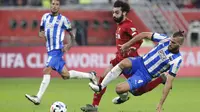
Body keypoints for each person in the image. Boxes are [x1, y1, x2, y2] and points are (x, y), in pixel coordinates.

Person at [81, 1, 166, 111]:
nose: (114, 15)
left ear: (124, 13)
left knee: (137, 91)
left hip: (130, 61)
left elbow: (139, 39)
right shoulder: (120, 25)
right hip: (119, 58)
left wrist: (132, 48)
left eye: (116, 12)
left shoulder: (128, 25)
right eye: (113, 12)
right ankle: (94, 106)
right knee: (103, 77)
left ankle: (160, 79)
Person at [89, 31, 185, 112]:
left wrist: (160, 104)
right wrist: (127, 44)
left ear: (180, 44)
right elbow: (143, 34)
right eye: (171, 40)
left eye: (173, 43)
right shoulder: (165, 39)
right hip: (140, 61)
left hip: (145, 75)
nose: (170, 43)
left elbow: (169, 83)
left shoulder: (177, 60)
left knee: (119, 89)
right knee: (123, 63)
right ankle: (100, 87)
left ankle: (124, 97)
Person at [25, 0, 97, 105]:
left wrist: (70, 44)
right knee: (65, 75)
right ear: (50, 5)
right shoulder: (44, 17)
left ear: (59, 7)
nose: (54, 6)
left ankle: (38, 97)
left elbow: (72, 33)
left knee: (47, 70)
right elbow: (40, 31)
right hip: (50, 51)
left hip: (57, 50)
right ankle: (91, 75)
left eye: (57, 4)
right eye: (53, 4)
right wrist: (41, 34)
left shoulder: (63, 20)